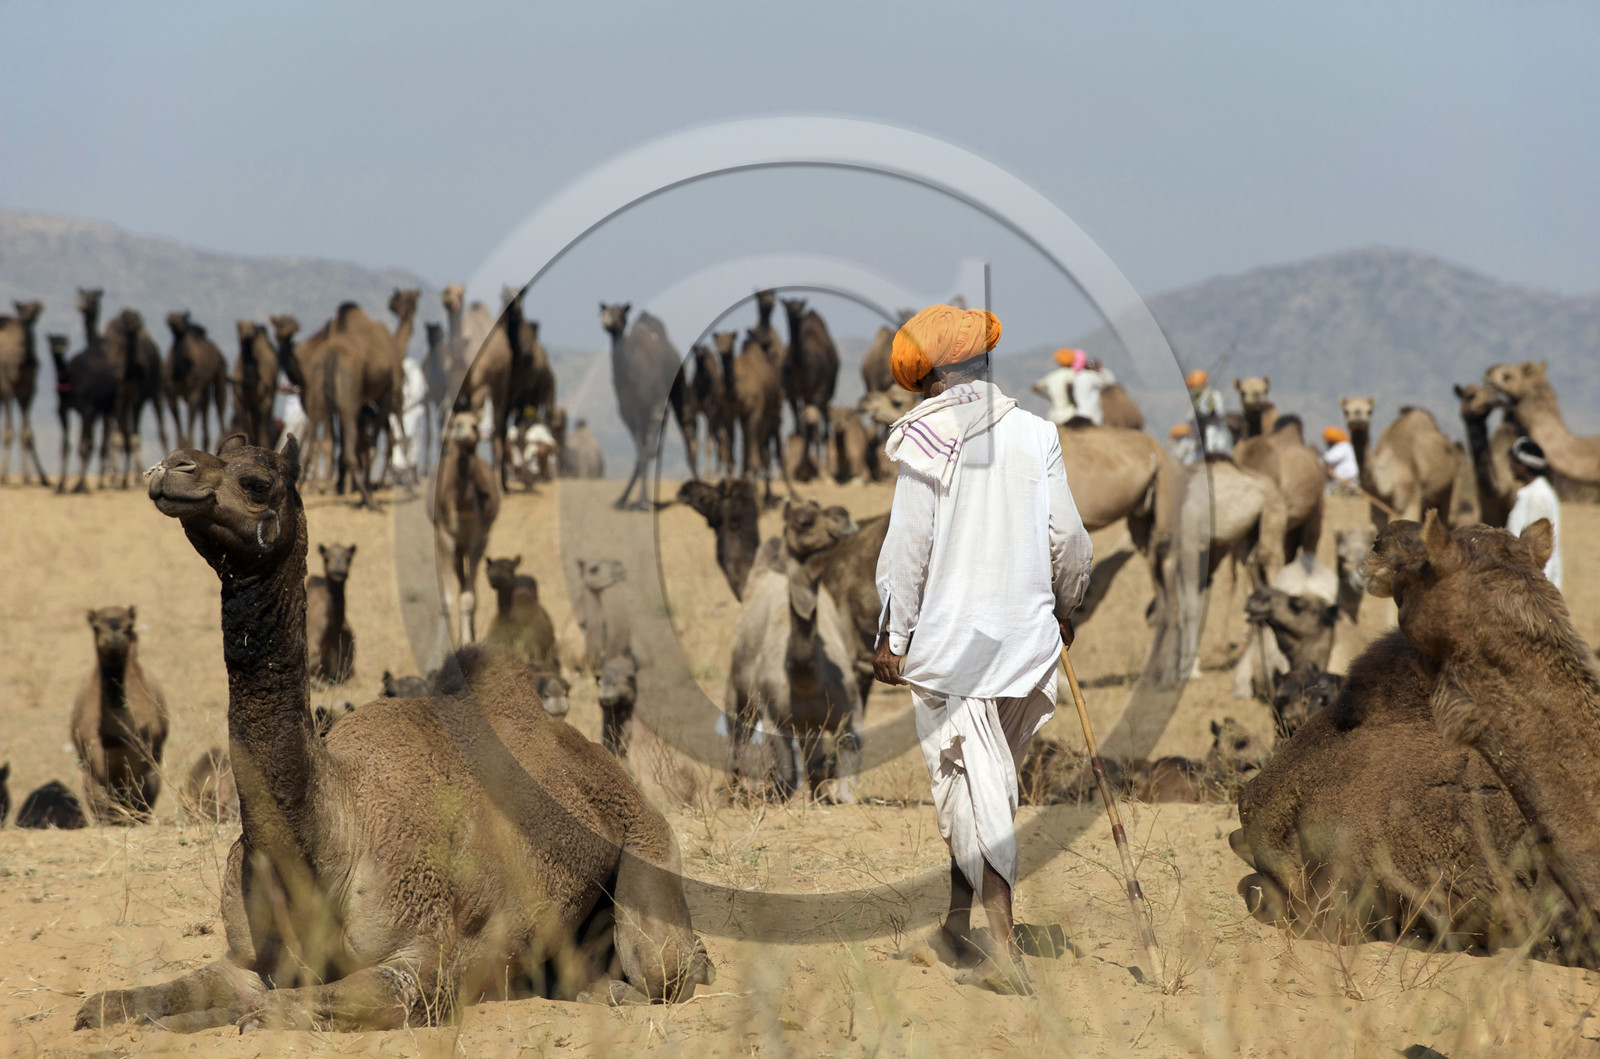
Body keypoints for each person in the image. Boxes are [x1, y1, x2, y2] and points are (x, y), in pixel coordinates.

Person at [873, 304, 1093, 995]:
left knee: (973, 786)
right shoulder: (1036, 432)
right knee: (984, 781)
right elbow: (1072, 543)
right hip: (1027, 647)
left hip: (954, 646)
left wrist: (892, 633)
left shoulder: (923, 439)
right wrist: (1064, 605)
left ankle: (1004, 951)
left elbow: (908, 548)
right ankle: (954, 922)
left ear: (928, 376)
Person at [1505, 436, 1562, 590]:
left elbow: (1538, 550)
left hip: (1532, 588)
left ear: (1523, 465)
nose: (1511, 466)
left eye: (1513, 462)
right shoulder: (1533, 492)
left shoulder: (1538, 495)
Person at [1030, 348, 1083, 426]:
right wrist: (1073, 401)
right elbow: (1069, 386)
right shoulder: (1072, 373)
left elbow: (1035, 387)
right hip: (1069, 414)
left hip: (1054, 415)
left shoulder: (1052, 376)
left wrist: (1050, 398)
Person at [1187, 369, 1231, 456]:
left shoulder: (1215, 395)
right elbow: (1190, 417)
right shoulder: (1195, 399)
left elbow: (1220, 413)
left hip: (1216, 432)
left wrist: (1209, 419)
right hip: (1201, 435)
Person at [1069, 356, 1116, 426]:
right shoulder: (1092, 376)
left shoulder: (1077, 376)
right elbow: (1109, 382)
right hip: (1091, 414)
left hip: (1079, 411)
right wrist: (1101, 370)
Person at [1321, 426, 1358, 491]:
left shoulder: (1342, 446)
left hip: (1348, 480)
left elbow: (1327, 459)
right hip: (1346, 480)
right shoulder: (1347, 446)